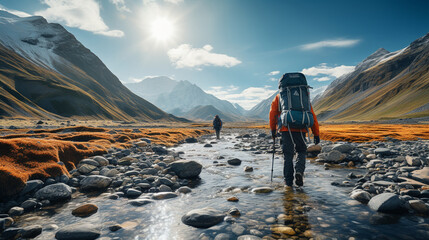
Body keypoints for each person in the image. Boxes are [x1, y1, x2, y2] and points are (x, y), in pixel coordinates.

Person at [269, 77, 320, 187]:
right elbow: (312, 115)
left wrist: (273, 130)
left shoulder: (279, 97)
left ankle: (288, 183)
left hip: (285, 129)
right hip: (301, 128)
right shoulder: (303, 97)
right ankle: (299, 172)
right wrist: (316, 133)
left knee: (288, 155)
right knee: (301, 151)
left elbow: (272, 114)